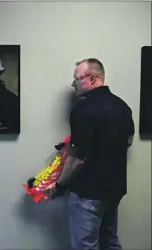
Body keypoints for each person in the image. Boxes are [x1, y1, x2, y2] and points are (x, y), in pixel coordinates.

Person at [45, 58, 135, 250]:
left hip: (89, 193)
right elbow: (128, 141)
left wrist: (59, 186)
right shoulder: (123, 107)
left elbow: (77, 159)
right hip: (114, 189)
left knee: (85, 246)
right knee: (110, 242)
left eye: (76, 79)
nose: (73, 84)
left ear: (93, 78)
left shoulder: (82, 111)